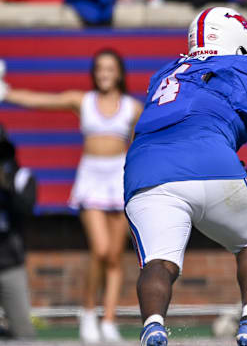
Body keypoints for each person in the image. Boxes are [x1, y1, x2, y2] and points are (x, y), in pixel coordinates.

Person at [124, 6, 247, 346]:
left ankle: (154, 325)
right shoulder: (240, 69)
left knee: (159, 261)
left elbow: (178, 123)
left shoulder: (166, 75)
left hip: (144, 169)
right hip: (211, 162)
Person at [0, 49, 143, 343]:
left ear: (119, 73)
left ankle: (109, 320)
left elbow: (148, 138)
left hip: (119, 178)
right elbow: (43, 101)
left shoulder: (132, 107)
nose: (105, 74)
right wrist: (6, 93)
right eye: (100, 68)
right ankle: (88, 312)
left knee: (115, 256)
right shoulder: (83, 101)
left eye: (110, 68)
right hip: (91, 178)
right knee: (100, 249)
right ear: (94, 73)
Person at [0, 122, 37, 340]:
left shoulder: (21, 177)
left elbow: (26, 209)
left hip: (9, 265)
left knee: (24, 334)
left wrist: (7, 187)